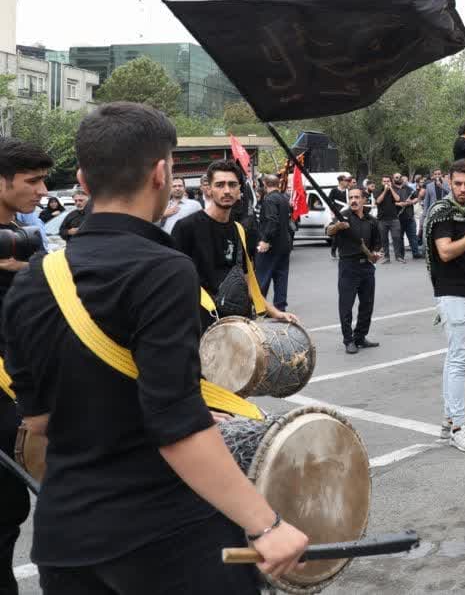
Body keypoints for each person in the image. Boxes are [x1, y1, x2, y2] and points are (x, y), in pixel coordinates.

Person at [0, 103, 308, 594]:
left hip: (66, 538)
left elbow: (37, 422)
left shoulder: (33, 279)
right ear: (161, 174)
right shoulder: (163, 270)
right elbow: (176, 424)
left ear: (82, 178)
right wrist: (265, 524)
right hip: (165, 536)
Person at [0, 138, 52, 595]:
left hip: (23, 392)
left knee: (10, 515)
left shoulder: (25, 237)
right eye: (32, 181)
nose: (42, 190)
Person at [170, 160, 297, 333]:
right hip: (201, 327)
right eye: (220, 185)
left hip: (237, 326)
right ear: (209, 189)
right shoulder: (186, 228)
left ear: (239, 191)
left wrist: (275, 312)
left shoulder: (239, 230)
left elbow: (246, 279)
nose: (227, 190)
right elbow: (173, 283)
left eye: (232, 185)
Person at [425, 159, 465, 453]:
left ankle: (451, 418)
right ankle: (458, 428)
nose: (463, 189)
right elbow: (446, 252)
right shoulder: (442, 212)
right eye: (458, 183)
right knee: (459, 358)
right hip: (451, 293)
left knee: (456, 357)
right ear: (449, 183)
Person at [327, 185, 383, 354]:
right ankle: (348, 340)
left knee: (367, 304)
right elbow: (328, 231)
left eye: (357, 197)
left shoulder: (371, 220)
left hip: (367, 267)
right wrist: (338, 227)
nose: (353, 200)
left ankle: (360, 336)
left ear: (364, 200)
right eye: (351, 197)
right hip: (348, 267)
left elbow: (378, 243)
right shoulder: (343, 216)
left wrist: (376, 253)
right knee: (346, 305)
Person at [254, 173, 295, 313]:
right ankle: (280, 307)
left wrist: (265, 240)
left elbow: (272, 221)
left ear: (265, 184)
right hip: (284, 244)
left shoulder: (269, 199)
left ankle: (260, 307)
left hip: (271, 246)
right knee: (281, 277)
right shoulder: (284, 198)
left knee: (262, 277)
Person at [375, 174, 405, 263]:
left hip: (394, 218)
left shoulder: (394, 190)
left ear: (391, 182)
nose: (386, 183)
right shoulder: (378, 191)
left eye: (388, 181)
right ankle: (386, 257)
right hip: (382, 219)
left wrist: (391, 189)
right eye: (384, 181)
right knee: (384, 239)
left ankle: (398, 256)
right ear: (382, 182)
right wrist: (385, 191)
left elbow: (398, 199)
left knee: (396, 238)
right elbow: (378, 201)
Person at [327, 174, 352, 259]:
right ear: (341, 181)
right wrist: (332, 213)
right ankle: (333, 250)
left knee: (348, 231)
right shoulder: (334, 190)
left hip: (347, 213)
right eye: (346, 180)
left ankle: (345, 251)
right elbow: (329, 202)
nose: (347, 182)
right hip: (337, 214)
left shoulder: (348, 191)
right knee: (337, 232)